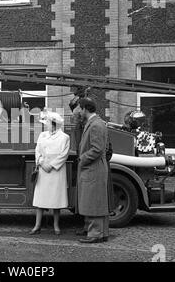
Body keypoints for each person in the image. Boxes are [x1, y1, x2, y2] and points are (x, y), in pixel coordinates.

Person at [29, 111, 70, 236]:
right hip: (43, 169)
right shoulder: (42, 135)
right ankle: (37, 225)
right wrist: (41, 162)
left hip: (56, 171)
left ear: (53, 124)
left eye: (47, 123)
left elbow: (64, 155)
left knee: (56, 199)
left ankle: (56, 225)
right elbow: (38, 150)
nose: (46, 125)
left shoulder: (64, 137)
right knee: (41, 199)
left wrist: (51, 165)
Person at [76, 97, 110, 243]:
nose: (78, 111)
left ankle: (95, 233)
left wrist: (82, 158)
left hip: (93, 167)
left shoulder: (95, 125)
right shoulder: (95, 123)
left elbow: (97, 149)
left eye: (79, 108)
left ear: (84, 109)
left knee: (94, 200)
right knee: (93, 200)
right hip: (94, 167)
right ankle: (100, 232)